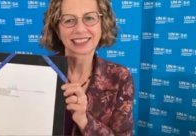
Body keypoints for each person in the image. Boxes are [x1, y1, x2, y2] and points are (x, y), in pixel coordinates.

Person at [41, 0, 134, 135]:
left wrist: (84, 120)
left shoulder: (119, 77)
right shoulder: (39, 73)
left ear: (102, 24)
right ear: (57, 29)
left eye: (89, 18)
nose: (80, 29)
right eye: (68, 20)